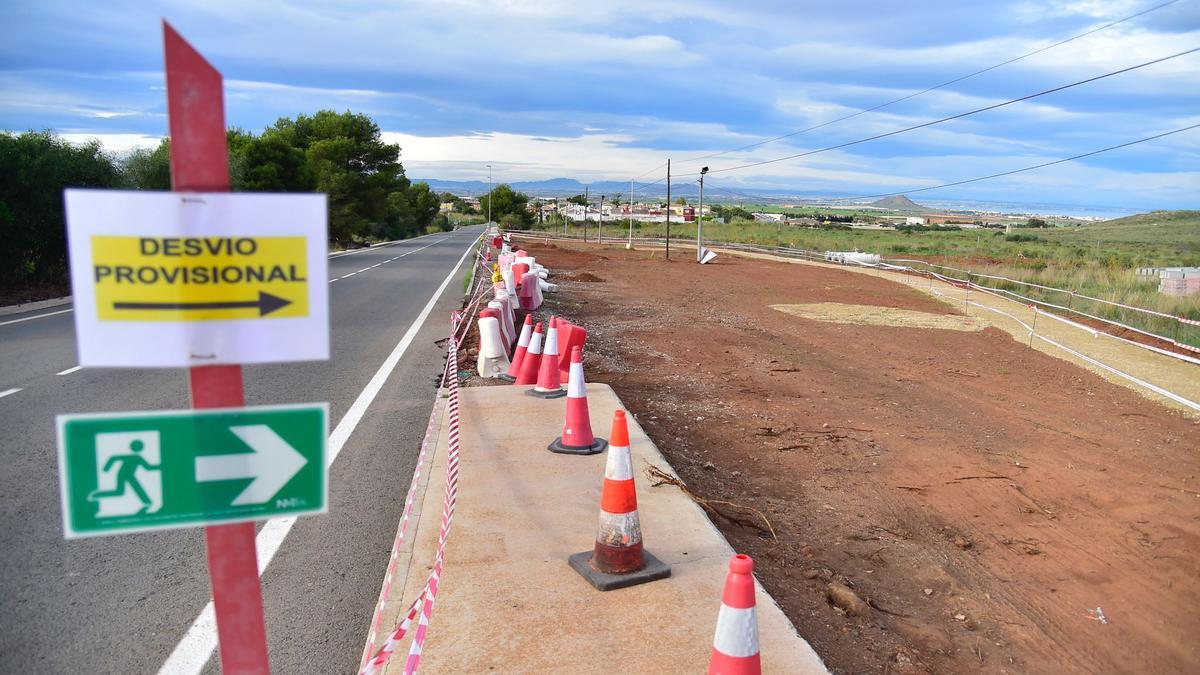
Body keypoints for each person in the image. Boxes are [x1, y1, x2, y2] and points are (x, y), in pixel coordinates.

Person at [88, 439, 158, 514]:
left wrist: (162, 466)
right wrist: (107, 468)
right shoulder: (135, 457)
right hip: (123, 474)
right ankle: (95, 495)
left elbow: (148, 467)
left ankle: (147, 502)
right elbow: (114, 458)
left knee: (122, 491)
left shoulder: (138, 458)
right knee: (121, 491)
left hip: (129, 475)